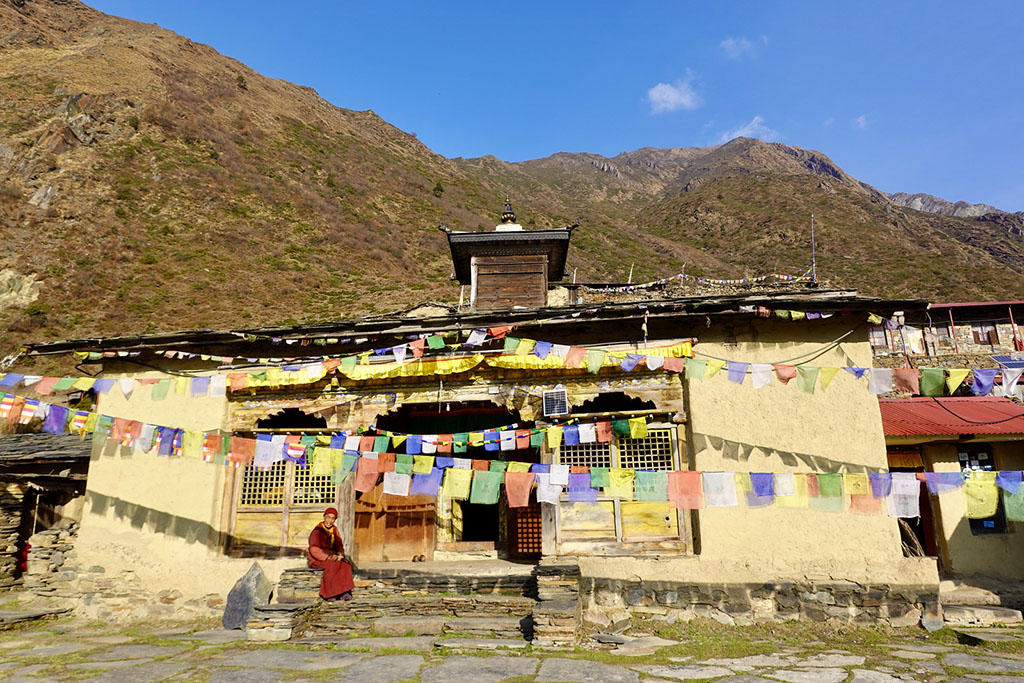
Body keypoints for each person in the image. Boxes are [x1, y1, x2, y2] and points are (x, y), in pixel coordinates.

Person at [307, 507, 354, 601]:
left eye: (333, 518)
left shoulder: (334, 530)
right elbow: (314, 549)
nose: (330, 520)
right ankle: (330, 594)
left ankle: (345, 593)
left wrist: (340, 554)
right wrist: (327, 557)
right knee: (333, 565)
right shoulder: (317, 531)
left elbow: (339, 545)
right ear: (324, 517)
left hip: (333, 557)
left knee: (346, 564)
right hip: (318, 559)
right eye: (328, 517)